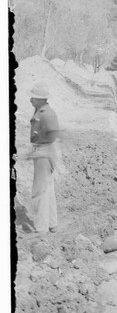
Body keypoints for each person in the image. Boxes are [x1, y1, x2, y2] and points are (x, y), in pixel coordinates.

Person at [29, 82, 60, 234]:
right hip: (45, 150)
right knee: (48, 188)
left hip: (44, 151)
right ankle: (52, 223)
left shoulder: (46, 114)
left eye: (33, 97)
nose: (30, 100)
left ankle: (41, 229)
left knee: (39, 191)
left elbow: (53, 134)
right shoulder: (41, 111)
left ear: (41, 99)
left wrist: (42, 151)